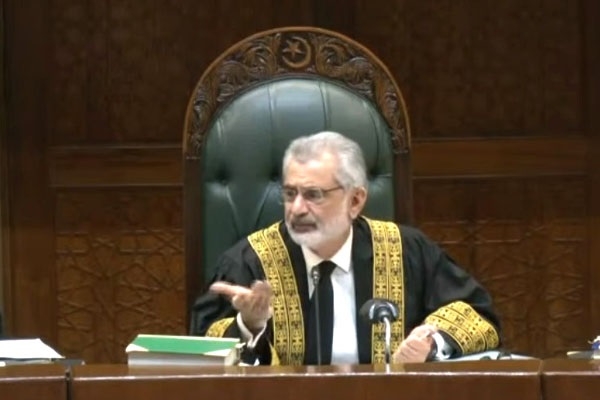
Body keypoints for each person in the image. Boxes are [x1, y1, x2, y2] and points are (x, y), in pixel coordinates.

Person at [190, 131, 501, 365]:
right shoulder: (249, 261)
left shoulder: (405, 250)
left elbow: (477, 314)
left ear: (355, 200)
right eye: (289, 194)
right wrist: (248, 325)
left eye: (313, 195)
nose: (297, 209)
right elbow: (200, 350)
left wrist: (432, 343)